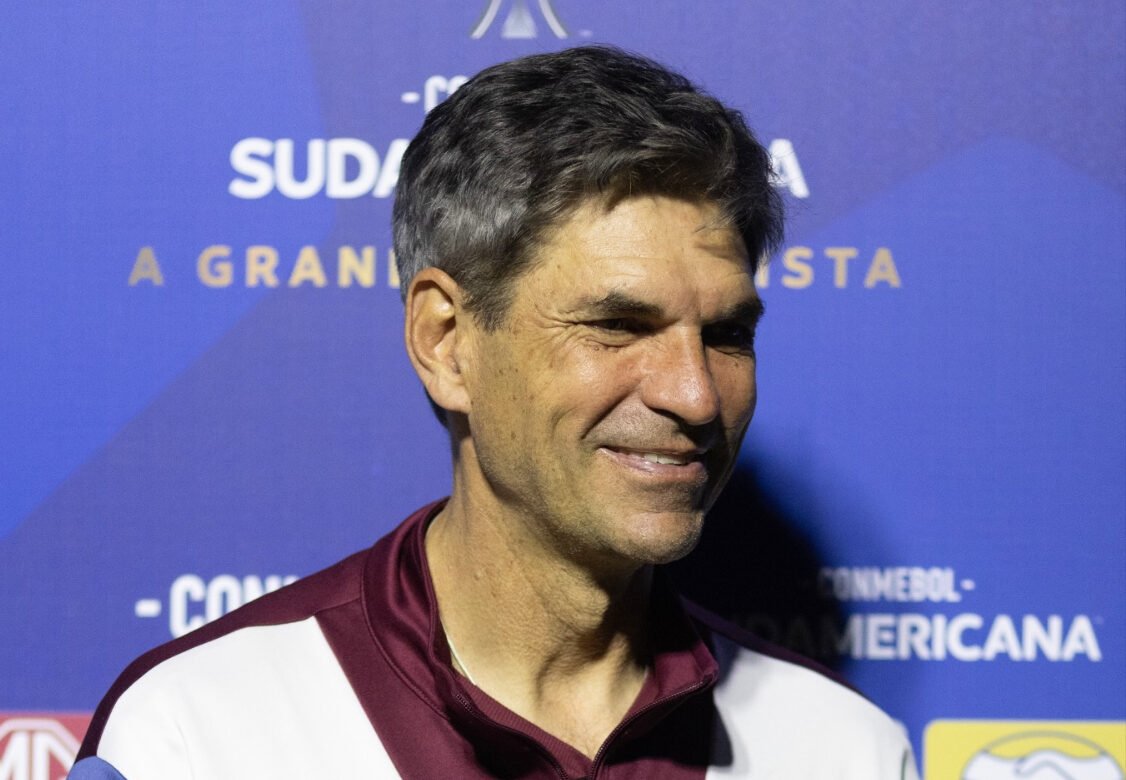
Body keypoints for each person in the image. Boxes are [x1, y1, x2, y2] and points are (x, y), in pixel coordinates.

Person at [72, 46, 919, 779]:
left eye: (728, 334)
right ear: (446, 342)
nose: (695, 394)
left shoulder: (844, 752)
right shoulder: (196, 732)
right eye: (617, 326)